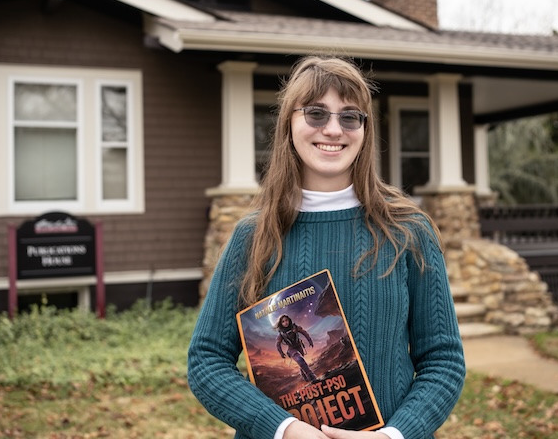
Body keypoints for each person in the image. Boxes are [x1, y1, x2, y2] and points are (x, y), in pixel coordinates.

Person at [188, 55, 466, 439]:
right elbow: (206, 361)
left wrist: (393, 436)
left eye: (350, 116)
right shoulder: (253, 236)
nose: (333, 129)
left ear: (364, 130)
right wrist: (284, 429)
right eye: (317, 114)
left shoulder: (408, 231)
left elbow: (443, 361)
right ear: (290, 124)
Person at [274, 314, 317, 383]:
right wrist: (281, 353)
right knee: (300, 360)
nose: (285, 322)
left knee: (301, 363)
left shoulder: (295, 327)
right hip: (291, 350)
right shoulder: (281, 334)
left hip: (299, 347)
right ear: (281, 323)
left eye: (286, 320)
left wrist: (310, 340)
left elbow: (304, 332)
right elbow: (277, 344)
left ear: (289, 320)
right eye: (283, 321)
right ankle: (311, 377)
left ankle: (305, 377)